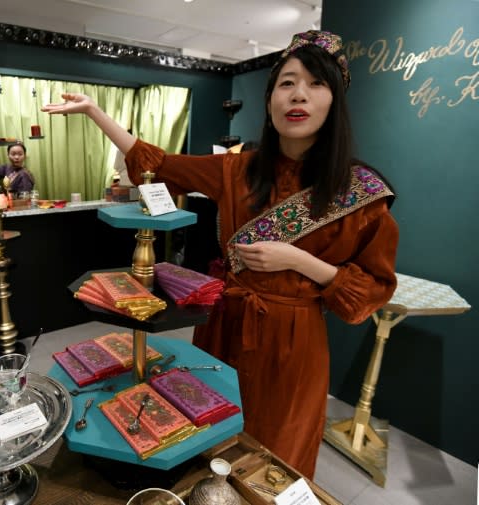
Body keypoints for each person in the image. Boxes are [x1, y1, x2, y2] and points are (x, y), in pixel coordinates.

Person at [43, 30, 399, 478]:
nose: (299, 96)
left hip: (294, 344)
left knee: (276, 449)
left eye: (316, 84)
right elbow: (160, 163)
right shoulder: (236, 169)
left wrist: (300, 261)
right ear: (269, 100)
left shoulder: (360, 193)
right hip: (224, 324)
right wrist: (97, 114)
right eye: (287, 82)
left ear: (335, 102)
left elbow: (372, 290)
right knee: (207, 433)